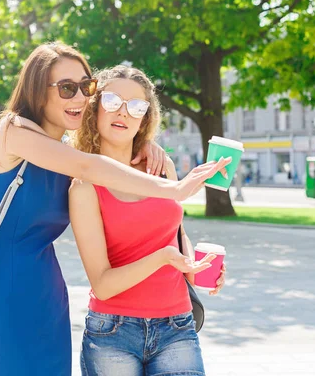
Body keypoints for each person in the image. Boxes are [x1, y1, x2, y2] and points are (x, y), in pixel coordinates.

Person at [0, 43, 231, 376]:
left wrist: (142, 139)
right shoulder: (13, 132)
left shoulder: (60, 152)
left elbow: (99, 156)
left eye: (85, 87)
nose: (78, 98)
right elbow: (89, 166)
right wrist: (174, 188)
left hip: (47, 292)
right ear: (36, 90)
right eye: (66, 88)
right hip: (1, 291)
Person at [69, 65, 227, 376]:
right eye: (112, 101)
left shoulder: (161, 165)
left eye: (136, 106)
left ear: (146, 116)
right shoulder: (83, 187)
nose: (124, 113)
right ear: (95, 106)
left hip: (177, 325)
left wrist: (197, 267)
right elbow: (102, 285)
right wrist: (164, 259)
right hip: (113, 332)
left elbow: (175, 236)